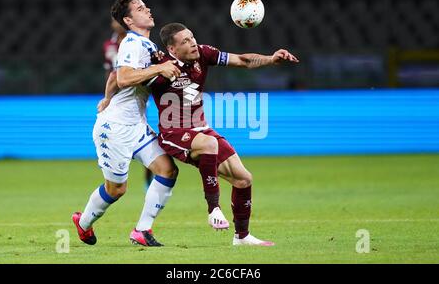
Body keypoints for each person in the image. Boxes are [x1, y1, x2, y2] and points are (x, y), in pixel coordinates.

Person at [100, 22, 299, 246]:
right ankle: (213, 208)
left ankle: (242, 237)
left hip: (200, 128)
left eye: (192, 37)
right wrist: (108, 99)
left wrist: (271, 59)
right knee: (209, 144)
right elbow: (118, 77)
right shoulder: (161, 66)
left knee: (243, 179)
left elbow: (242, 60)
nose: (193, 42)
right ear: (172, 50)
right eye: (185, 41)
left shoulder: (204, 54)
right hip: (173, 132)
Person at [72, 0, 181, 247]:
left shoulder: (148, 46)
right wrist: (159, 68)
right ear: (129, 21)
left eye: (146, 6)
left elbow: (113, 78)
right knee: (116, 190)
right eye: (141, 8)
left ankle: (142, 231)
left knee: (168, 170)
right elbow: (124, 77)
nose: (148, 10)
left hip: (137, 126)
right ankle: (83, 222)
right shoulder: (131, 42)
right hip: (115, 128)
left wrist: (107, 97)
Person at [101, 18, 154, 188]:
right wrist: (108, 96)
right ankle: (116, 176)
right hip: (118, 95)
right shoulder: (110, 45)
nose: (117, 24)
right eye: (114, 21)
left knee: (146, 134)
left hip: (137, 94)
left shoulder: (138, 42)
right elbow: (110, 72)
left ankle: (148, 181)